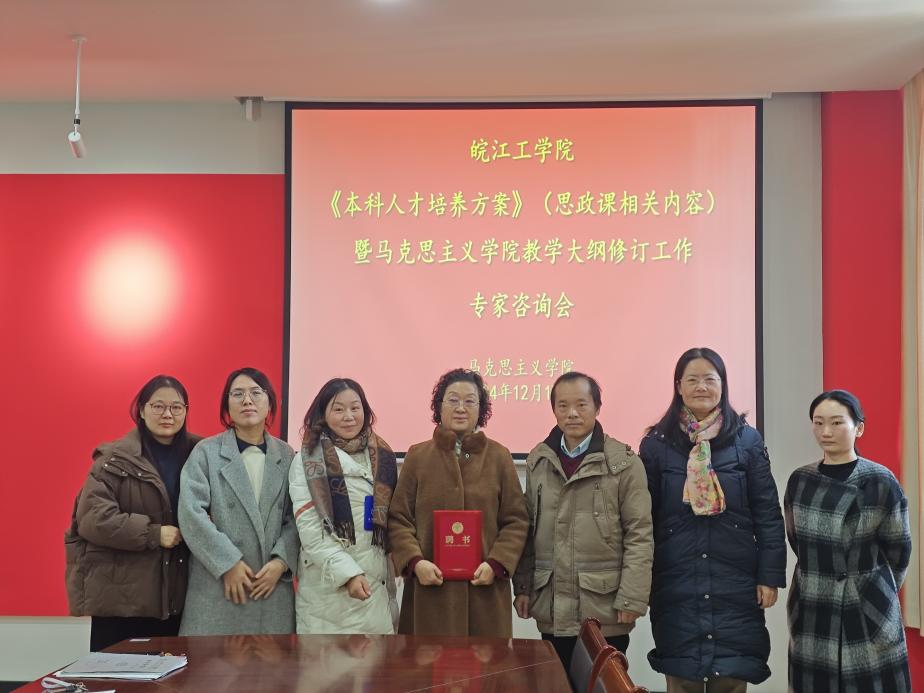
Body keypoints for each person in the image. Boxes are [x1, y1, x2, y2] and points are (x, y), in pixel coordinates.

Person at [639, 348, 786, 693]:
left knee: (731, 678)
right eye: (692, 379)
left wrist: (769, 577)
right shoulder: (656, 445)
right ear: (678, 386)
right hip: (675, 579)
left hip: (736, 581)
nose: (701, 386)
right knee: (682, 676)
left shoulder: (747, 441)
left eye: (710, 379)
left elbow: (767, 513)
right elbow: (643, 520)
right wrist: (641, 581)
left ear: (723, 384)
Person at [513, 371, 653, 672]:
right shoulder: (539, 460)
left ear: (597, 407)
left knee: (604, 686)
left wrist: (631, 598)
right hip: (551, 605)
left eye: (581, 404)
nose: (572, 413)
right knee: (556, 685)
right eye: (562, 405)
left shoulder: (623, 463)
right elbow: (528, 531)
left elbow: (639, 534)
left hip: (604, 607)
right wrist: (523, 586)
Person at [785, 390, 911, 693]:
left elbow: (899, 551)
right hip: (815, 602)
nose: (826, 432)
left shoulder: (881, 481)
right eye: (818, 423)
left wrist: (872, 588)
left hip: (867, 604)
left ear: (859, 428)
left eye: (837, 422)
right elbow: (797, 541)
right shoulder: (800, 480)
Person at [388, 368, 529, 636]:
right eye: (452, 400)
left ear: (481, 408)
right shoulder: (418, 456)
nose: (461, 408)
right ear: (439, 406)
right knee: (427, 662)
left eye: (470, 401)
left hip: (485, 593)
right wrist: (416, 562)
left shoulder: (499, 457)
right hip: (428, 593)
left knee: (487, 663)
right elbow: (399, 518)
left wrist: (496, 564)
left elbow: (516, 520)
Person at [65, 374, 201, 651]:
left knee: (175, 673)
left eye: (176, 407)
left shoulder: (200, 453)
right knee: (118, 673)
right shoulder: (114, 458)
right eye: (158, 406)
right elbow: (93, 519)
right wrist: (153, 533)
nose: (168, 414)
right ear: (141, 410)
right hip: (120, 600)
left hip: (176, 598)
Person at [178, 367, 298, 635]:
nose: (247, 400)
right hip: (219, 586)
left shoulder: (287, 455)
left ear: (270, 403)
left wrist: (281, 562)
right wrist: (227, 562)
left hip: (270, 587)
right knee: (211, 661)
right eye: (238, 394)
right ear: (227, 405)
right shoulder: (206, 452)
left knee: (271, 661)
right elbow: (190, 513)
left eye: (256, 393)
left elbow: (297, 518)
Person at [289, 377, 399, 634]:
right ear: (323, 415)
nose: (349, 416)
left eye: (355, 408)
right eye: (338, 409)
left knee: (377, 658)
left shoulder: (382, 455)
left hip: (377, 588)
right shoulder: (309, 461)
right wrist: (348, 574)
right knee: (332, 659)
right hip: (330, 591)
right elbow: (311, 533)